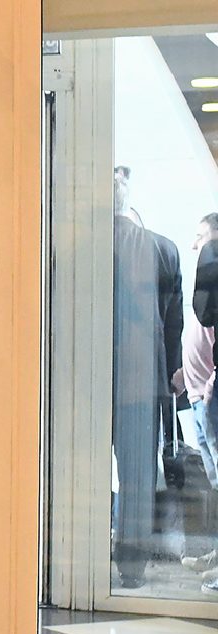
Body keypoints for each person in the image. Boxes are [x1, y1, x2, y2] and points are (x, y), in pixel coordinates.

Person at [109, 178, 182, 589]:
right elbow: (174, 323)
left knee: (80, 473)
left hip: (86, 386)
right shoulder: (164, 248)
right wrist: (172, 375)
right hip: (142, 386)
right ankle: (131, 568)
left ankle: (77, 555)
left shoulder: (75, 249)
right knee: (137, 478)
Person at [183, 212, 218, 586]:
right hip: (197, 395)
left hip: (208, 395)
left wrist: (211, 381)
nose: (196, 245)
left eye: (202, 236)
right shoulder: (206, 283)